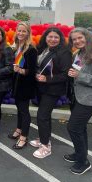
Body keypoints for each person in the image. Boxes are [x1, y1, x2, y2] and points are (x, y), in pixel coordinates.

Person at [65, 27, 92, 174]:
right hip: (78, 96)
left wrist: (79, 76)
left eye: (80, 38)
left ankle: (83, 162)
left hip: (91, 98)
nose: (77, 41)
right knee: (80, 127)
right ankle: (80, 154)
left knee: (73, 127)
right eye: (74, 39)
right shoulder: (80, 53)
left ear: (87, 37)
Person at [30, 27, 72, 158]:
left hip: (52, 90)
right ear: (45, 37)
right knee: (45, 116)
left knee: (42, 115)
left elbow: (66, 75)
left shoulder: (64, 52)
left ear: (60, 39)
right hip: (41, 88)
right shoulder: (43, 48)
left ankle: (46, 146)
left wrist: (47, 78)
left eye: (56, 37)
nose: (52, 39)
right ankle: (44, 138)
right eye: (50, 37)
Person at [9, 22, 37, 149]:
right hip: (16, 83)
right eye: (19, 31)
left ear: (28, 33)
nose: (20, 33)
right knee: (19, 109)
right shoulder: (16, 46)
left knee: (24, 111)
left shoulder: (31, 49)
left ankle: (23, 137)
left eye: (23, 31)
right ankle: (19, 129)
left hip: (25, 85)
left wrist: (20, 70)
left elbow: (32, 71)